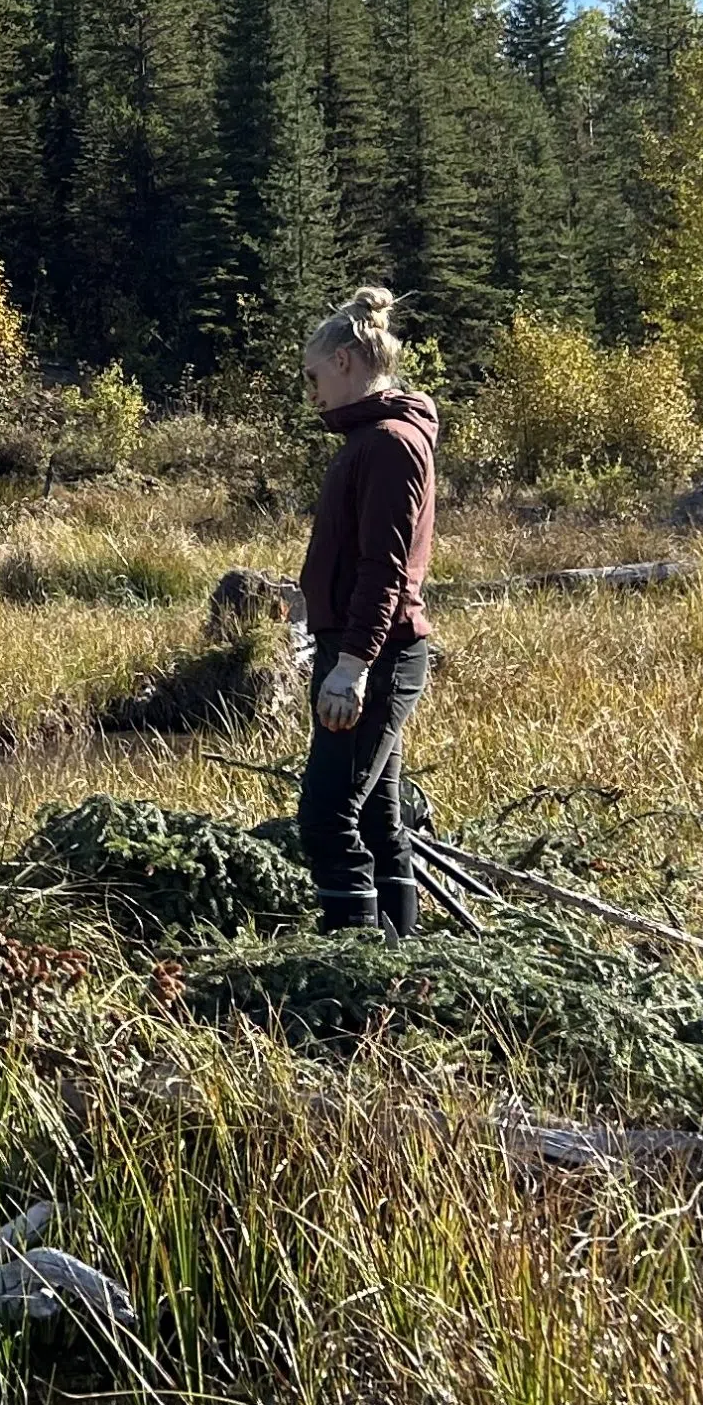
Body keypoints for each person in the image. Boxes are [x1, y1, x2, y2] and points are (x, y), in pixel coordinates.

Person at [295, 285, 441, 936]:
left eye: (314, 376)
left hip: (374, 655)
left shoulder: (387, 442)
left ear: (348, 361)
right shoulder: (372, 439)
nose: (311, 392)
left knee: (327, 815)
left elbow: (385, 568)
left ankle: (352, 976)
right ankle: (400, 966)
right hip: (367, 650)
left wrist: (351, 665)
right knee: (377, 817)